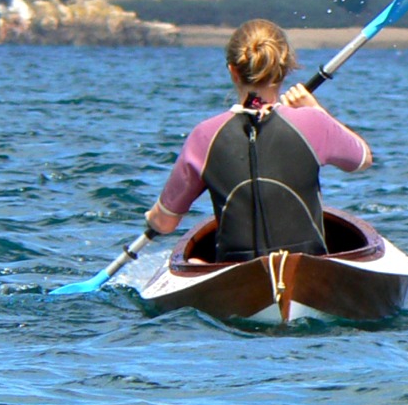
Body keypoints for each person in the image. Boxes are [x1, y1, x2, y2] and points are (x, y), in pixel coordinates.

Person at [144, 18, 372, 262]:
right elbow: (362, 159)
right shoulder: (314, 122)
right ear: (286, 68)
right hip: (307, 265)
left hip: (235, 273)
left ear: (233, 71)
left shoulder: (204, 136)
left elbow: (165, 223)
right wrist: (317, 110)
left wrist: (152, 217)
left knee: (196, 261)